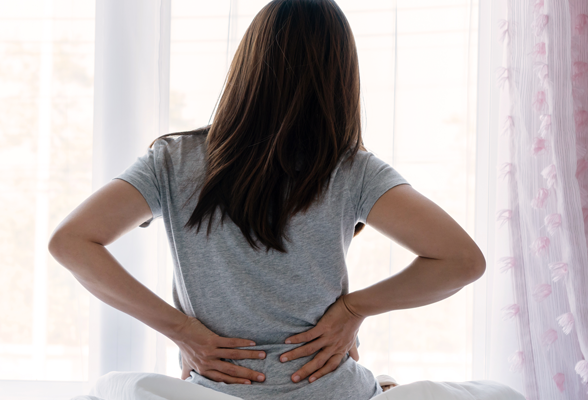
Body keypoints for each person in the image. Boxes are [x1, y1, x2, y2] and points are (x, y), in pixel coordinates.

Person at [49, 1, 485, 399]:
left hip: (219, 391)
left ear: (248, 64)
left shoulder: (173, 160)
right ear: (340, 78)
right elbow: (463, 261)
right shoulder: (352, 169)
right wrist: (355, 309)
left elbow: (71, 241)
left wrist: (181, 331)